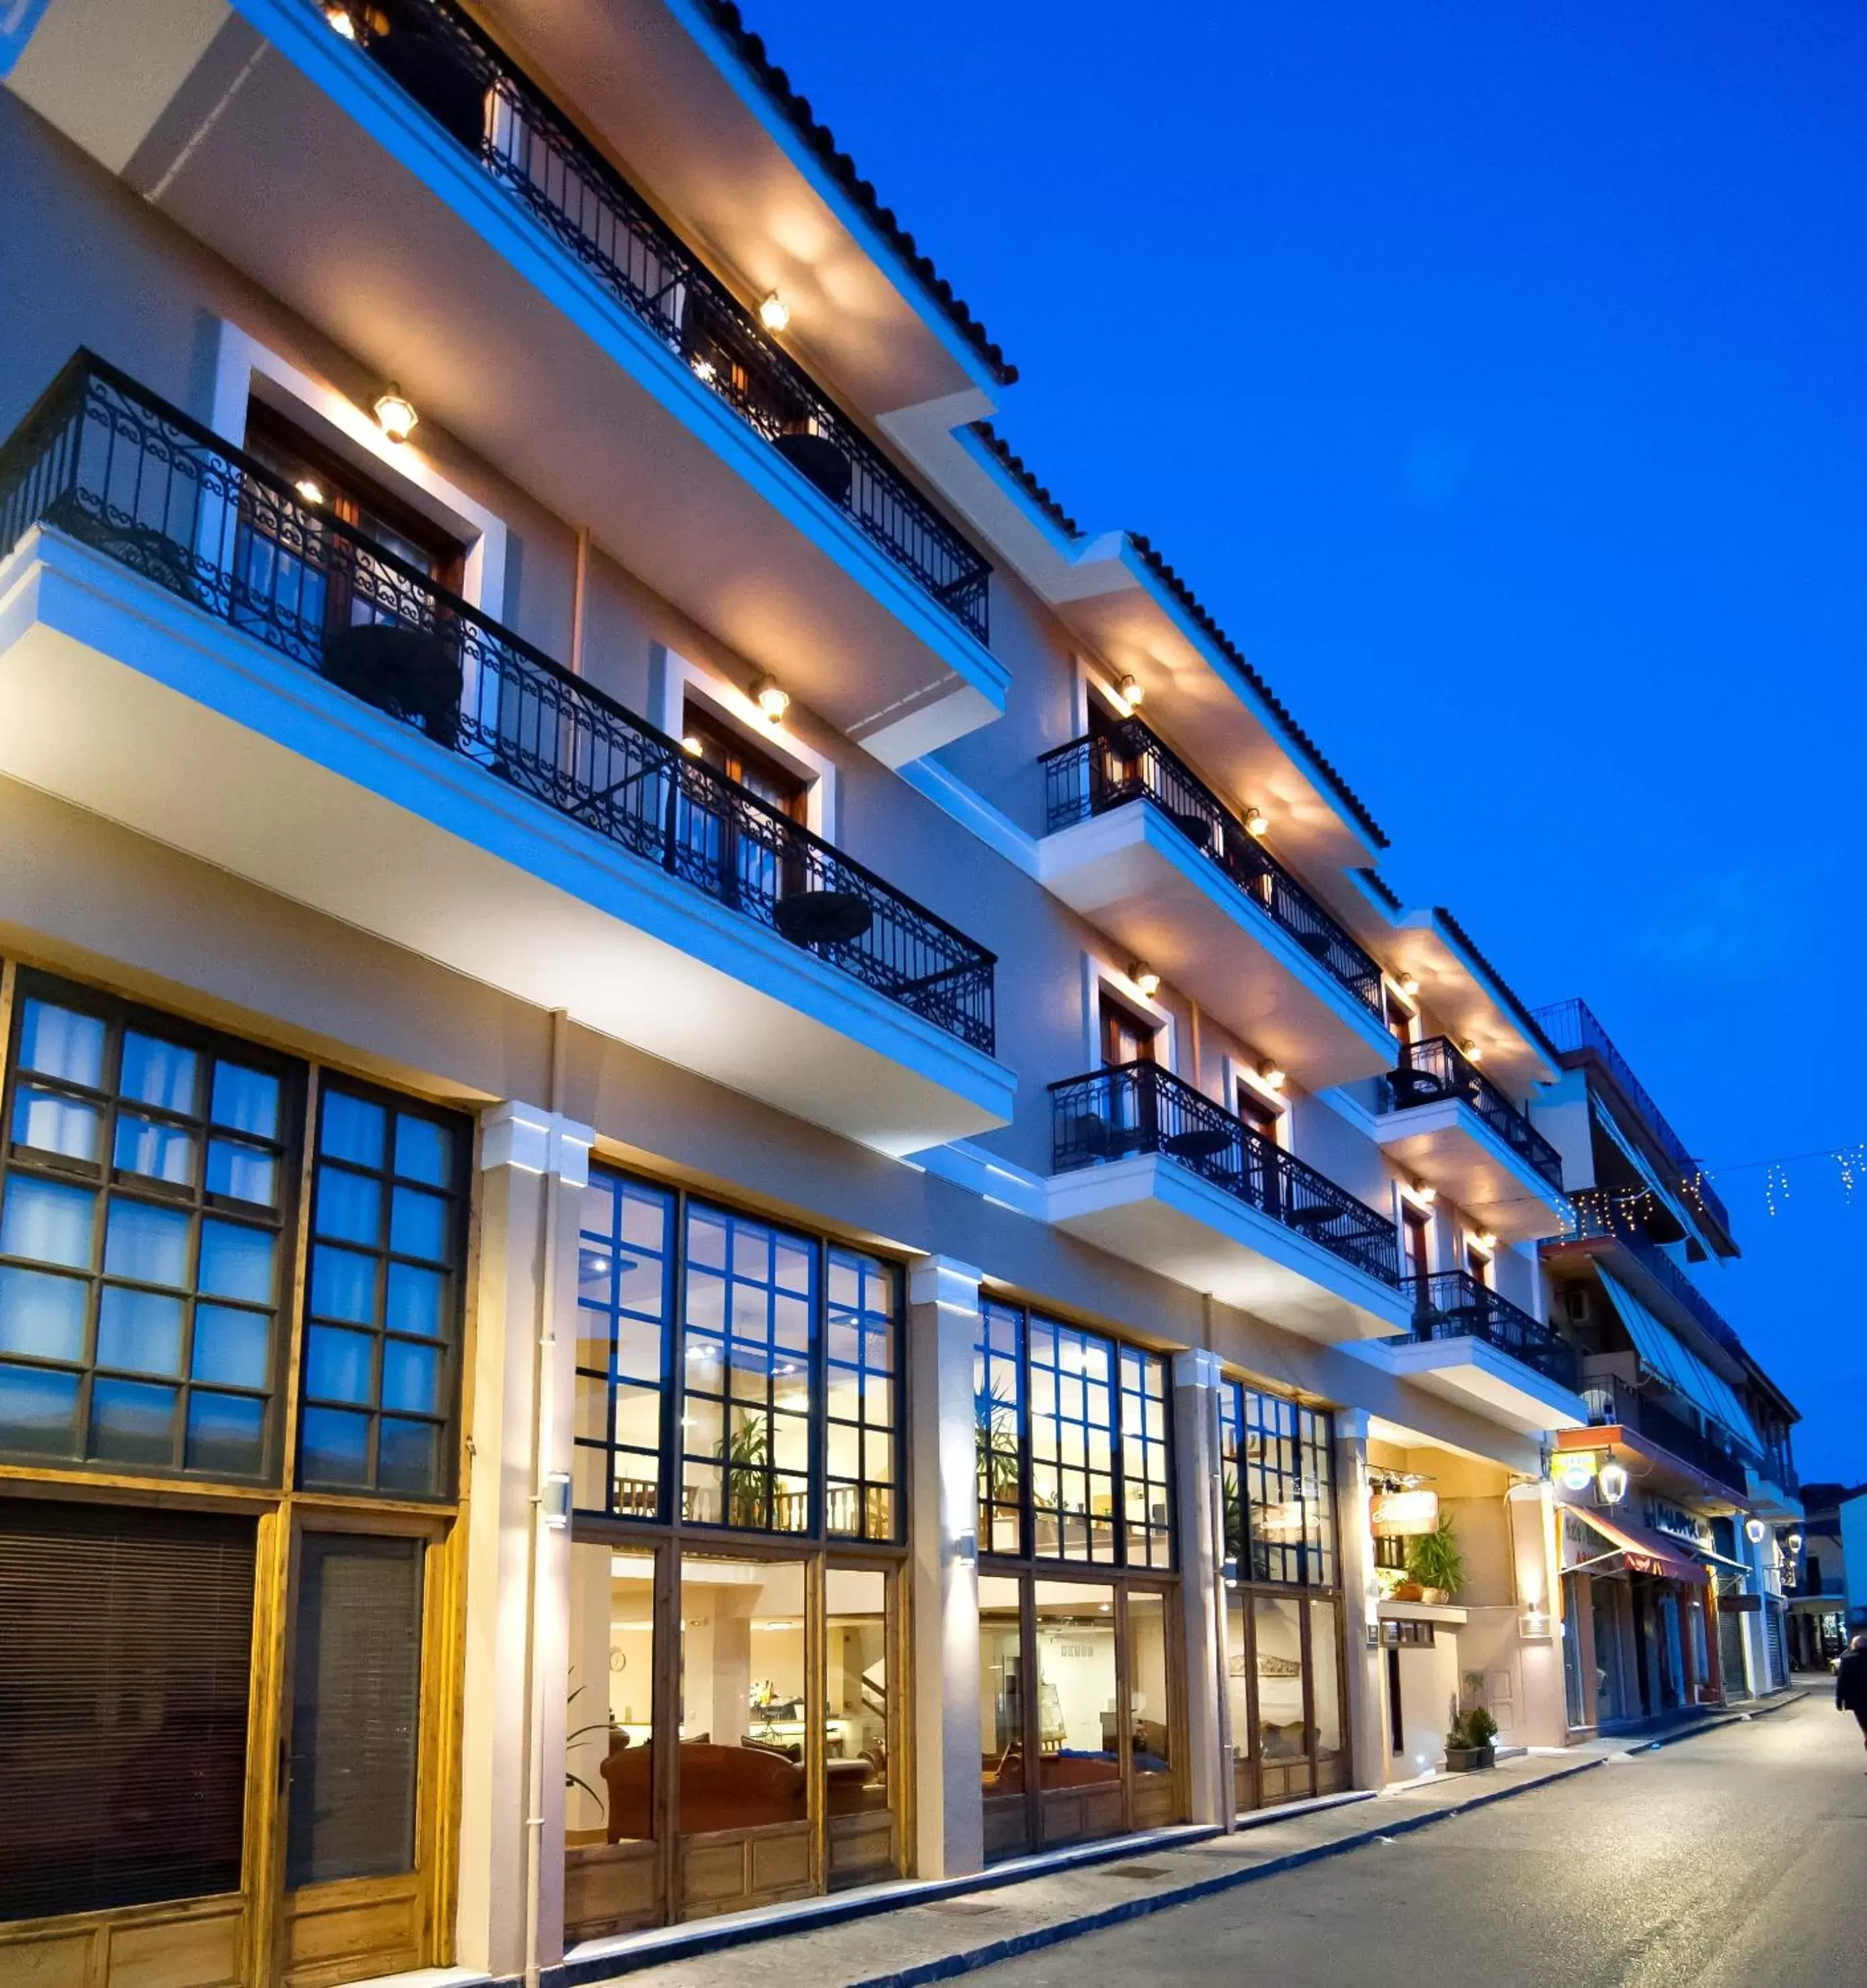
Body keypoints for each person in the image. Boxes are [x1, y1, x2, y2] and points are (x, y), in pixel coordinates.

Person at [1837, 1631, 1867, 1767]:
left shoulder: (1848, 1660)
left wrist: (1840, 1701)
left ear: (1854, 1646)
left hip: (1860, 1704)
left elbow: (1842, 1682)